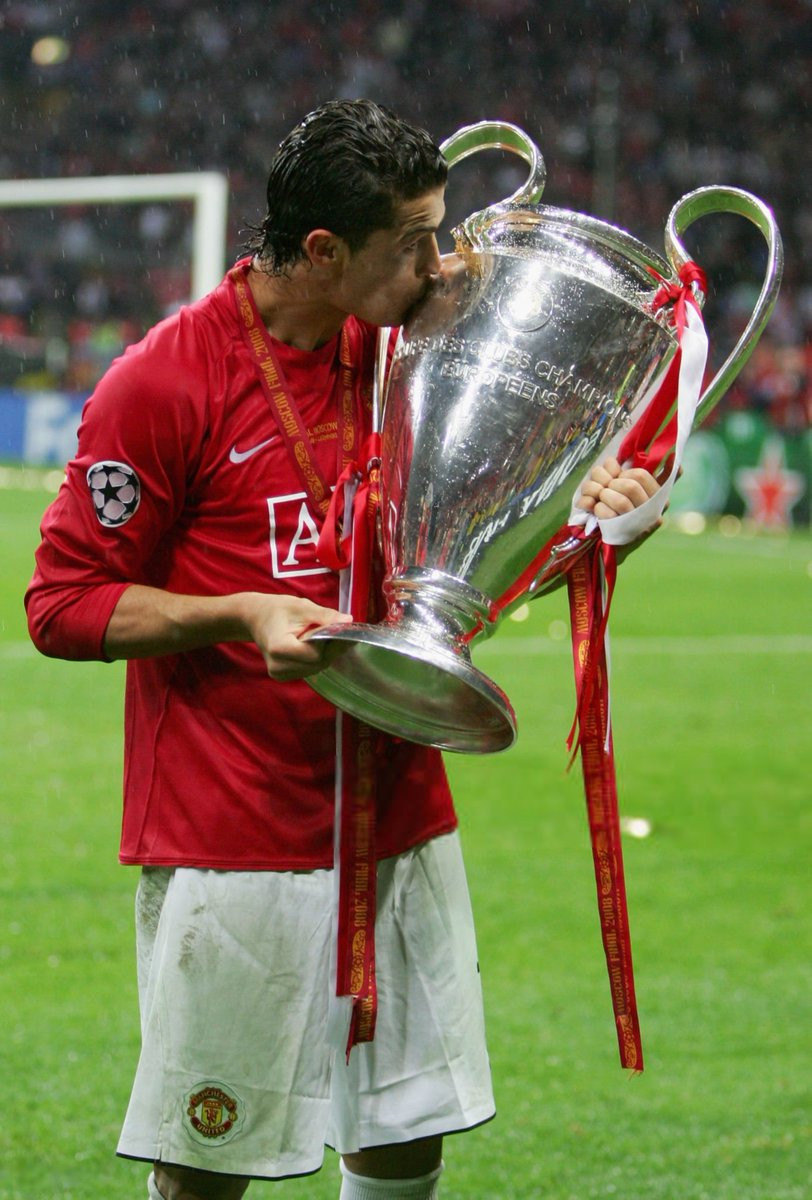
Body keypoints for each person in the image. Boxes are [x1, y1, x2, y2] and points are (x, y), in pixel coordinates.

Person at [25, 99, 661, 1200]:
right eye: (413, 240)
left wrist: (604, 525)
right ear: (324, 250)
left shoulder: (419, 356)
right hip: (235, 832)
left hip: (397, 813)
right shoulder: (165, 381)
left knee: (406, 1137)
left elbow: (477, 559)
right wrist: (237, 613)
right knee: (211, 1160)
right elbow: (62, 604)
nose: (441, 262)